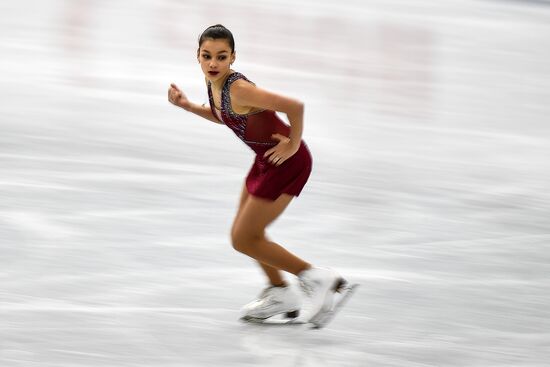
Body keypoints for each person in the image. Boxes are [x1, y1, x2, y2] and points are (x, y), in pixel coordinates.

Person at [167, 24, 346, 325]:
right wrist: (186, 106)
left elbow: (295, 106)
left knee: (243, 239)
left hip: (287, 163)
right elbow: (224, 116)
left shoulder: (239, 88)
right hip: (265, 161)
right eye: (207, 56)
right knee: (246, 233)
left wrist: (292, 143)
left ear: (233, 58)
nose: (213, 63)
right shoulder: (215, 85)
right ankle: (280, 292)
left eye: (221, 57)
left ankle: (316, 277)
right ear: (197, 56)